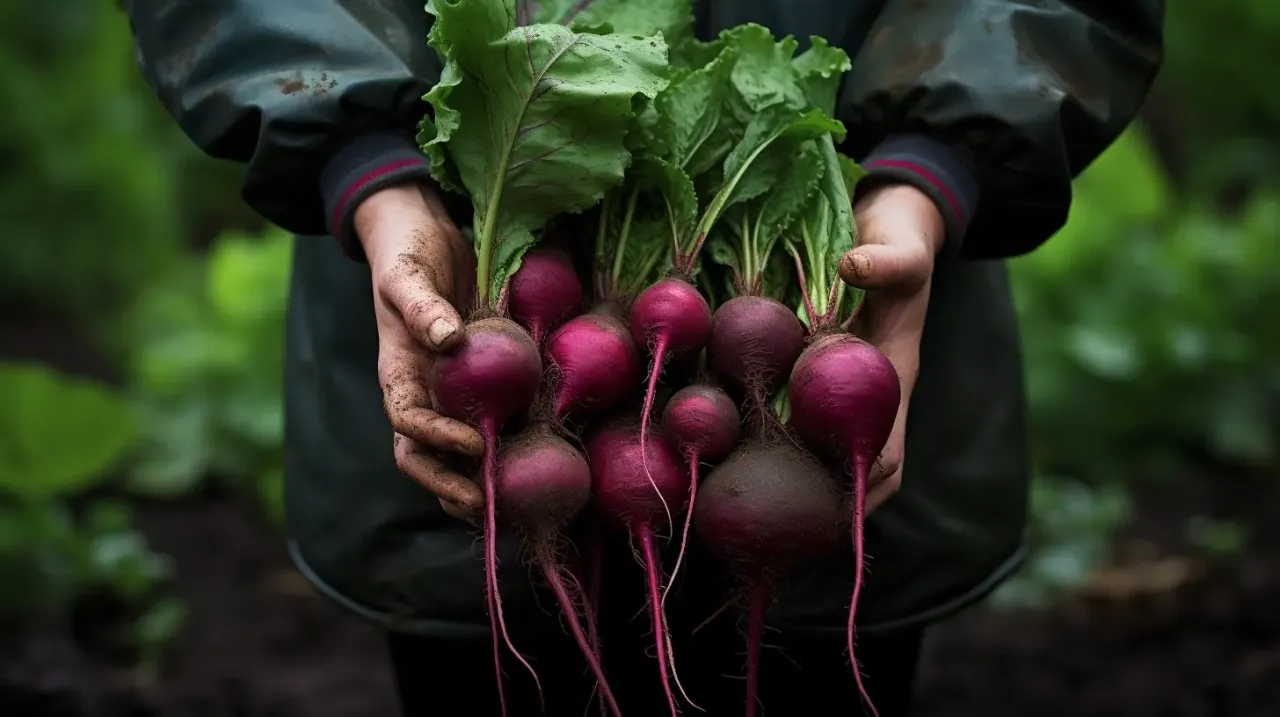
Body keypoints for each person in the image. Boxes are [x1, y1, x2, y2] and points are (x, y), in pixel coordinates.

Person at [123, 1, 1163, 714]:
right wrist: (368, 168)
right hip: (455, 324)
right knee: (502, 652)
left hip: (827, 366)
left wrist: (933, 174)